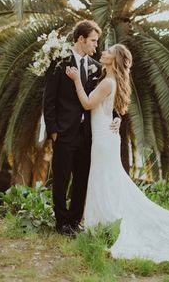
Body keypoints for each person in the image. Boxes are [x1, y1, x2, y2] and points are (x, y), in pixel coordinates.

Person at [66, 43, 169, 269]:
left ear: (114, 60)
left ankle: (104, 220)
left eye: (108, 52)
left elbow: (88, 103)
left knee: (104, 176)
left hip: (103, 139)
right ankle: (103, 220)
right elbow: (110, 108)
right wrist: (116, 117)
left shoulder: (108, 82)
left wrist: (77, 80)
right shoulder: (107, 79)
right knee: (107, 177)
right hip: (105, 136)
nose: (104, 53)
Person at [43, 20, 121, 236]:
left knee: (82, 179)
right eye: (93, 41)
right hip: (64, 133)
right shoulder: (59, 62)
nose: (96, 46)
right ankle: (61, 223)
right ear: (81, 39)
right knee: (60, 180)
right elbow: (48, 100)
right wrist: (54, 131)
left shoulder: (97, 68)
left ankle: (75, 221)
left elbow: (107, 97)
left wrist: (116, 117)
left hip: (89, 136)